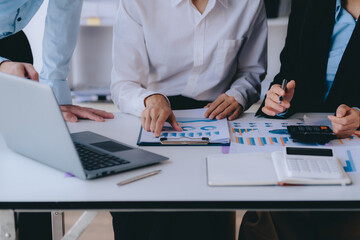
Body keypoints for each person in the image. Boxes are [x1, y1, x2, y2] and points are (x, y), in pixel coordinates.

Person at [110, 0, 267, 239]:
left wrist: (238, 95)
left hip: (215, 117)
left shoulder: (250, 3)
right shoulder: (137, 3)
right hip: (150, 116)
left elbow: (251, 72)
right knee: (142, 213)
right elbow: (123, 83)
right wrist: (150, 99)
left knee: (202, 215)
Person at [240, 0, 360, 239]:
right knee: (275, 207)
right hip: (306, 142)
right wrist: (279, 100)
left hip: (353, 151)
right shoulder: (309, 3)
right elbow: (289, 72)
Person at [0, 1, 113, 239]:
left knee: (37, 168)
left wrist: (54, 94)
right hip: (6, 64)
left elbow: (65, 8)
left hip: (13, 49)